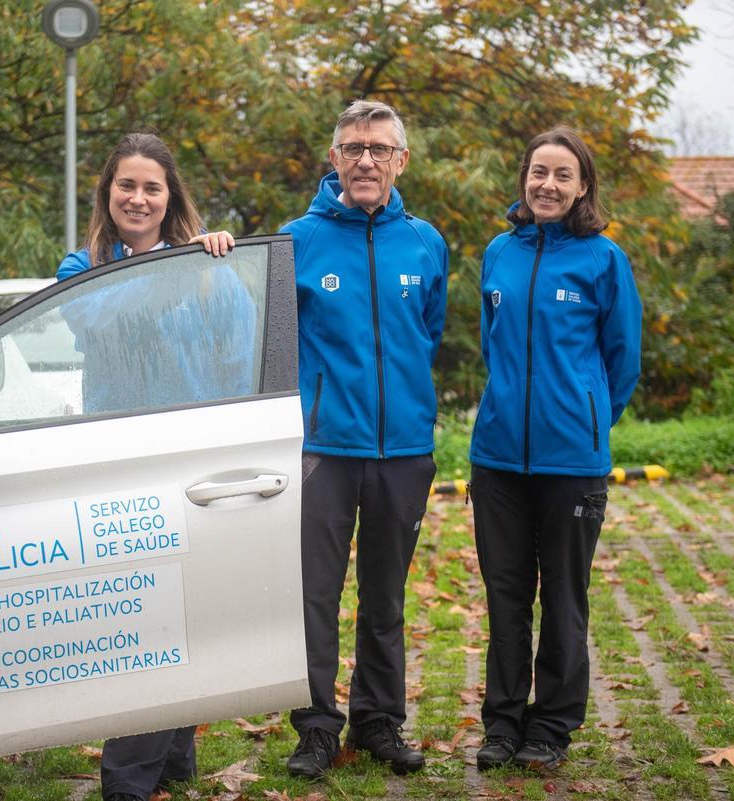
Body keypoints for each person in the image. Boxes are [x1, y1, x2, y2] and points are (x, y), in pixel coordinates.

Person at [54, 132, 247, 801]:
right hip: (120, 463)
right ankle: (128, 779)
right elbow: (99, 324)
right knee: (138, 619)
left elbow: (239, 352)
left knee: (188, 610)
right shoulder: (78, 267)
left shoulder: (207, 265)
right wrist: (179, 268)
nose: (138, 198)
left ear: (170, 198)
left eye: (152, 187)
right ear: (108, 194)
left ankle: (172, 758)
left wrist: (210, 268)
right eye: (126, 186)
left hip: (196, 459)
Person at [279, 100, 448, 778]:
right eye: (353, 147)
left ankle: (379, 722)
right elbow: (277, 343)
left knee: (386, 598)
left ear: (401, 160)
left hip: (403, 449)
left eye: (379, 148)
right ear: (335, 159)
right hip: (323, 450)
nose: (366, 159)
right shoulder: (298, 240)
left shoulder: (426, 242)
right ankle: (318, 727)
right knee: (314, 596)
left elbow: (426, 334)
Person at [468, 127, 642, 772]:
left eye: (562, 175)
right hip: (498, 460)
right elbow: (494, 346)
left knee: (564, 596)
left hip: (573, 463)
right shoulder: (498, 253)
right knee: (505, 596)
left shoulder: (603, 259)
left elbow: (623, 358)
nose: (548, 185)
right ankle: (503, 724)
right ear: (524, 179)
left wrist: (589, 418)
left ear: (583, 186)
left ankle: (552, 727)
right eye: (538, 172)